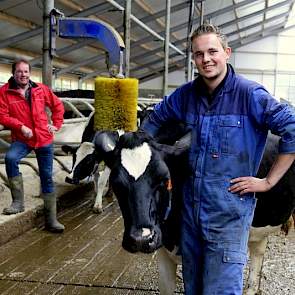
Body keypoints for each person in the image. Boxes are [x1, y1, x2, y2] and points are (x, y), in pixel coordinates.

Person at [141, 23, 295, 294]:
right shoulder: (185, 96)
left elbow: (293, 130)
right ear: (193, 58)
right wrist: (129, 145)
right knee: (194, 287)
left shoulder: (250, 95)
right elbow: (152, 124)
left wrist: (268, 182)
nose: (206, 59)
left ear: (227, 52)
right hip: (190, 212)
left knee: (221, 290)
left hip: (229, 214)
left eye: (212, 51)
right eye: (199, 54)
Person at [0, 59, 65, 233]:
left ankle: (51, 220)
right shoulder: (4, 92)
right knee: (11, 158)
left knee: (46, 176)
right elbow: (3, 116)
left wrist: (57, 124)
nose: (23, 75)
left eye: (26, 71)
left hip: (43, 138)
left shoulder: (41, 89)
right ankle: (18, 202)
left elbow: (57, 105)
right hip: (23, 138)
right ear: (13, 73)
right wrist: (20, 126)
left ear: (30, 73)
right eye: (20, 72)